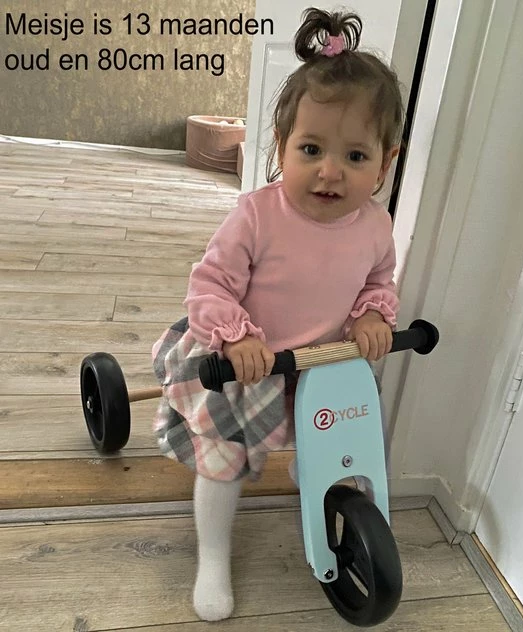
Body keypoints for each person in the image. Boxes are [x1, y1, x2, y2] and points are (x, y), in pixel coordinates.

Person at [152, 7, 404, 621]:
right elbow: (210, 284)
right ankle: (214, 556)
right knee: (223, 465)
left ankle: (314, 479)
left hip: (323, 368)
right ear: (281, 146)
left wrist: (373, 316)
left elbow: (378, 282)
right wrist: (235, 337)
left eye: (355, 156)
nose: (329, 171)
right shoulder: (257, 217)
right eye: (311, 149)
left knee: (340, 447)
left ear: (385, 162)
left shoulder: (375, 226)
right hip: (246, 367)